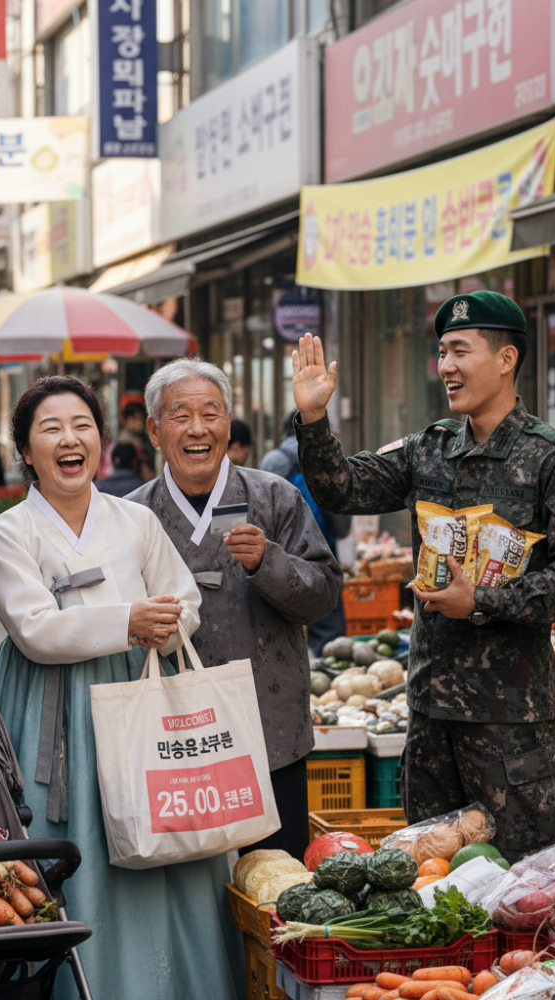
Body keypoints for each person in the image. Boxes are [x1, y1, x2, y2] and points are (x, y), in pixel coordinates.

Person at [291, 290, 555, 862]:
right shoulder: (428, 449)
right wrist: (314, 420)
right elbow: (342, 488)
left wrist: (483, 600)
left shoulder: (554, 461)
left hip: (509, 723)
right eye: (441, 353)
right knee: (432, 878)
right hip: (430, 714)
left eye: (460, 351)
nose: (446, 367)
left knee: (517, 877)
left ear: (506, 359)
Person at [0, 375, 242, 1000]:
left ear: (100, 440)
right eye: (50, 429)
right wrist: (126, 620)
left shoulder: (135, 520)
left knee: (165, 839)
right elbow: (35, 629)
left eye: (82, 426)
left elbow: (183, 599)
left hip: (141, 696)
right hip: (53, 706)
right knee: (69, 851)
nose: (70, 440)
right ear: (25, 450)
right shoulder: (9, 532)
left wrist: (167, 620)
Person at [127, 358, 343, 861]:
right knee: (189, 888)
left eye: (212, 413)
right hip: (175, 741)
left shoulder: (274, 497)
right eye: (180, 416)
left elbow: (324, 594)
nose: (198, 429)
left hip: (271, 732)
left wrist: (269, 562)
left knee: (276, 883)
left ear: (228, 423)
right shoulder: (133, 515)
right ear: (155, 430)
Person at [261, 412, 352, 654]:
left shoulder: (273, 460)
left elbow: (261, 506)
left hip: (282, 549)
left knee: (284, 607)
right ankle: (329, 662)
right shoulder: (326, 456)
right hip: (322, 545)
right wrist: (342, 531)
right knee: (326, 606)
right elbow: (340, 503)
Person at [118, 399, 156, 480]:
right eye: (137, 418)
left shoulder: (143, 438)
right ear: (128, 419)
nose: (140, 423)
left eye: (142, 419)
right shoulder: (125, 440)